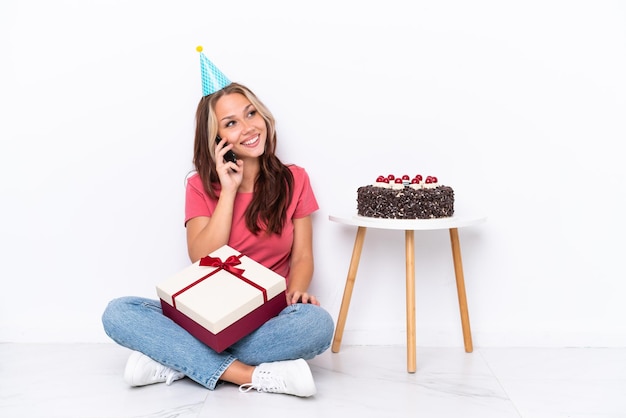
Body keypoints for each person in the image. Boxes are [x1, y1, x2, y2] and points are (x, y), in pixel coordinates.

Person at [101, 48, 334, 397]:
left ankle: (174, 361)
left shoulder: (295, 179)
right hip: (204, 318)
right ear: (217, 139)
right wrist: (228, 190)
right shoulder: (199, 186)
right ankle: (248, 374)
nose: (249, 127)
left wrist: (296, 292)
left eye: (251, 113)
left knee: (317, 324)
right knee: (119, 312)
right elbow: (202, 258)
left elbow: (301, 257)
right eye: (231, 123)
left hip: (266, 318)